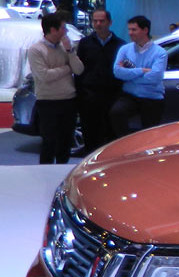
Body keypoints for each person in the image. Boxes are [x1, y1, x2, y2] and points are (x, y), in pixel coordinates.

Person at [27, 13, 83, 164]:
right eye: (63, 28)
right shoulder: (36, 50)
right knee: (49, 142)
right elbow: (44, 76)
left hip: (69, 100)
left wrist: (70, 51)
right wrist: (67, 68)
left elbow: (79, 69)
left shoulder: (66, 47)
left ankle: (62, 170)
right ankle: (45, 172)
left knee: (65, 142)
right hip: (48, 101)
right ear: (53, 30)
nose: (66, 31)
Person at [75, 9, 125, 154]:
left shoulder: (120, 45)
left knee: (111, 135)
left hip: (112, 96)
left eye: (102, 21)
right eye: (95, 21)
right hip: (89, 96)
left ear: (110, 22)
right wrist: (80, 94)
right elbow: (79, 70)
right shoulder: (85, 43)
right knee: (90, 134)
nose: (98, 24)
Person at [110, 15, 167, 136]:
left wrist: (130, 75)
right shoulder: (124, 49)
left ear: (145, 30)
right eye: (129, 29)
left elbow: (155, 77)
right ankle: (126, 143)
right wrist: (141, 71)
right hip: (130, 95)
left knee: (150, 134)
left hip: (152, 97)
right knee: (116, 113)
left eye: (134, 29)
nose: (130, 33)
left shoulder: (160, 53)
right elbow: (117, 72)